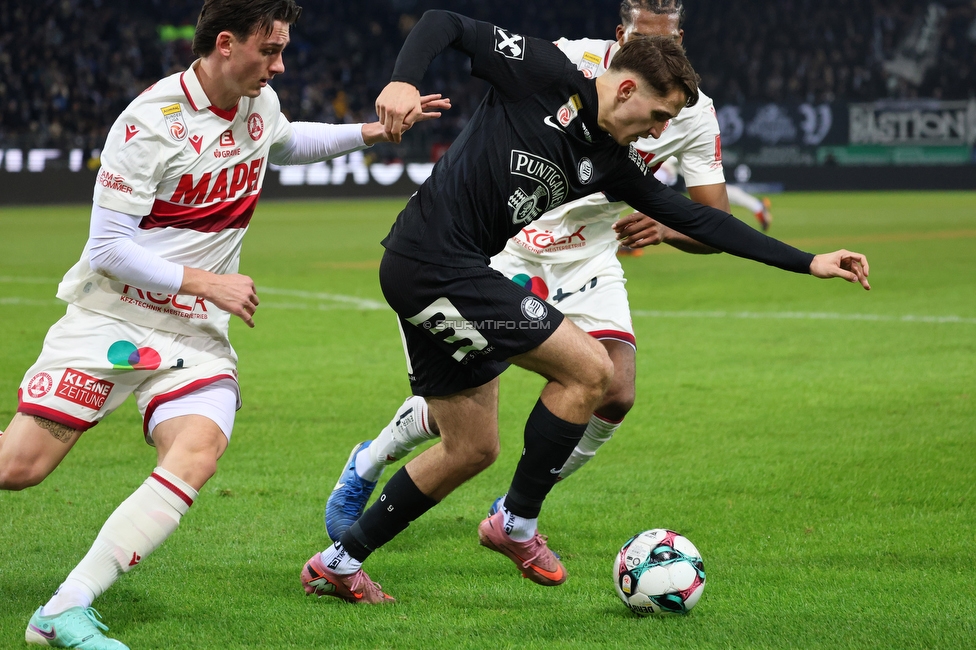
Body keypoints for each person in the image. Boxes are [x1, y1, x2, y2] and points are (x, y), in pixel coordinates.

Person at [301, 9, 868, 605]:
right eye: (658, 116)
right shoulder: (543, 71)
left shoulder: (613, 161)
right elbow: (446, 23)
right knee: (592, 371)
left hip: (448, 270)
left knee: (471, 448)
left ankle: (338, 564)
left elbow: (704, 220)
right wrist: (403, 80)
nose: (658, 132)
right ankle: (516, 521)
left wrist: (809, 261)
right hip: (436, 263)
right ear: (625, 89)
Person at [0, 1, 447, 647]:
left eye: (283, 49)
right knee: (19, 466)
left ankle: (63, 609)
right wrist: (207, 282)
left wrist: (370, 134)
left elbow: (285, 142)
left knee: (198, 450)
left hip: (194, 337)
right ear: (227, 43)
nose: (280, 65)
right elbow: (107, 248)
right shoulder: (150, 123)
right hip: (112, 321)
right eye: (271, 50)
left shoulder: (257, 105)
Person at [323, 0, 763, 544]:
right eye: (644, 40)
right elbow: (461, 40)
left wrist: (669, 230)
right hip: (510, 246)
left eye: (669, 42)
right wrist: (405, 80)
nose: (657, 51)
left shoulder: (690, 111)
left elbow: (714, 220)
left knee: (614, 389)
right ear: (620, 37)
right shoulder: (571, 62)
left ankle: (515, 508)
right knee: (468, 397)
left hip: (589, 255)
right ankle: (371, 460)